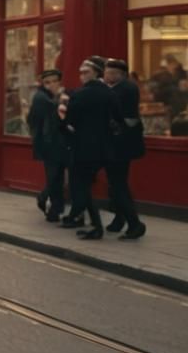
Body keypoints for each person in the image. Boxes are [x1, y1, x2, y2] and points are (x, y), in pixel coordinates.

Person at [60, 56, 120, 240]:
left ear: (96, 72)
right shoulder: (110, 93)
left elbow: (69, 121)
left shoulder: (79, 95)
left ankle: (96, 226)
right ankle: (118, 222)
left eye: (85, 72)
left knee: (82, 188)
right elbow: (117, 119)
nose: (81, 76)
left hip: (83, 148)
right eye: (80, 72)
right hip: (105, 148)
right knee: (93, 186)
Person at [103, 59, 146, 240]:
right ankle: (119, 219)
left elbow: (118, 117)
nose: (108, 76)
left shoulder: (125, 89)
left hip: (121, 144)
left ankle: (134, 223)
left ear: (122, 75)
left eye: (112, 73)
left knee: (118, 184)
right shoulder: (119, 88)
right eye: (107, 72)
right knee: (115, 184)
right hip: (119, 143)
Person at [27, 69, 68, 222]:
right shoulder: (41, 97)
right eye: (47, 82)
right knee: (54, 177)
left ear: (59, 82)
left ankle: (55, 210)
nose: (51, 85)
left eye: (54, 81)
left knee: (57, 177)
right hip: (49, 143)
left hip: (56, 142)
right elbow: (56, 112)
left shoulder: (49, 96)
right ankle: (45, 199)